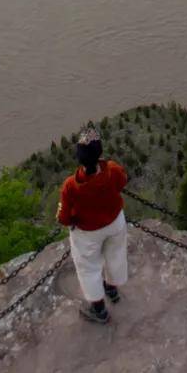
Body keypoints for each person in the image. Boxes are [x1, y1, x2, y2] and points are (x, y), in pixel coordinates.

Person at [57, 124, 130, 324]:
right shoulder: (113, 170)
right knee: (115, 256)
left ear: (79, 158)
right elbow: (123, 181)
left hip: (87, 232)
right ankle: (112, 290)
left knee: (88, 268)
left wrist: (71, 220)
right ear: (100, 152)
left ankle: (99, 310)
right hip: (115, 223)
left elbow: (63, 217)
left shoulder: (71, 186)